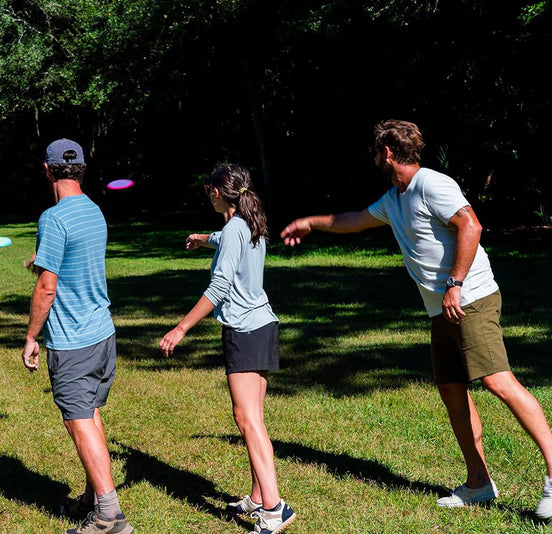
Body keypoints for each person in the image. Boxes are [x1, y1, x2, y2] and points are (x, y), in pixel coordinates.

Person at [281, 119, 552, 517]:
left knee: (498, 381)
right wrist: (310, 223)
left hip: (470, 299)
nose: (375, 158)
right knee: (452, 388)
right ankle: (478, 481)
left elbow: (471, 224)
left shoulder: (431, 184)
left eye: (376, 152)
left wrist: (455, 284)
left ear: (387, 152)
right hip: (441, 310)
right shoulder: (396, 197)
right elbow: (355, 220)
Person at [159, 164, 297, 534]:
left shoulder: (237, 227)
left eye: (209, 189)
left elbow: (218, 286)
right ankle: (258, 496)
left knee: (246, 419)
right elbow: (224, 239)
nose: (208, 194)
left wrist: (180, 329)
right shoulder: (249, 223)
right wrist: (203, 238)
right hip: (263, 325)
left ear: (217, 193)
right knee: (255, 419)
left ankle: (275, 508)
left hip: (245, 331)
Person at [22, 139, 133, 534]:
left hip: (74, 340)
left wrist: (31, 336)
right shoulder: (93, 210)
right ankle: (92, 498)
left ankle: (109, 516)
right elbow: (75, 261)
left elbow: (47, 288)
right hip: (102, 334)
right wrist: (43, 261)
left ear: (47, 170)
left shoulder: (53, 218)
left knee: (78, 420)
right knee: (91, 413)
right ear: (81, 169)